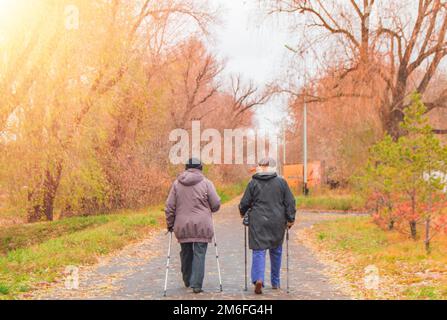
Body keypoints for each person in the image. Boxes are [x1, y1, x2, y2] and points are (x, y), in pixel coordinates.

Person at [239, 157, 296, 294]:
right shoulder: (281, 182)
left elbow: (245, 202)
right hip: (277, 220)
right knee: (276, 250)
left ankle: (259, 279)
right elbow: (290, 202)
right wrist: (290, 219)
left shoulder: (253, 183)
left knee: (259, 250)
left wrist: (242, 212)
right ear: (273, 167)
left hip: (258, 220)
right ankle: (275, 282)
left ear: (260, 167)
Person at [165, 158, 221, 294]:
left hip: (182, 225)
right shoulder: (207, 183)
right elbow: (215, 204)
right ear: (200, 168)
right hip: (202, 225)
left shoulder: (177, 184)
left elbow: (169, 207)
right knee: (200, 253)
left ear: (186, 168)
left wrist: (170, 224)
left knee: (186, 251)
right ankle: (196, 285)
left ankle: (187, 279)